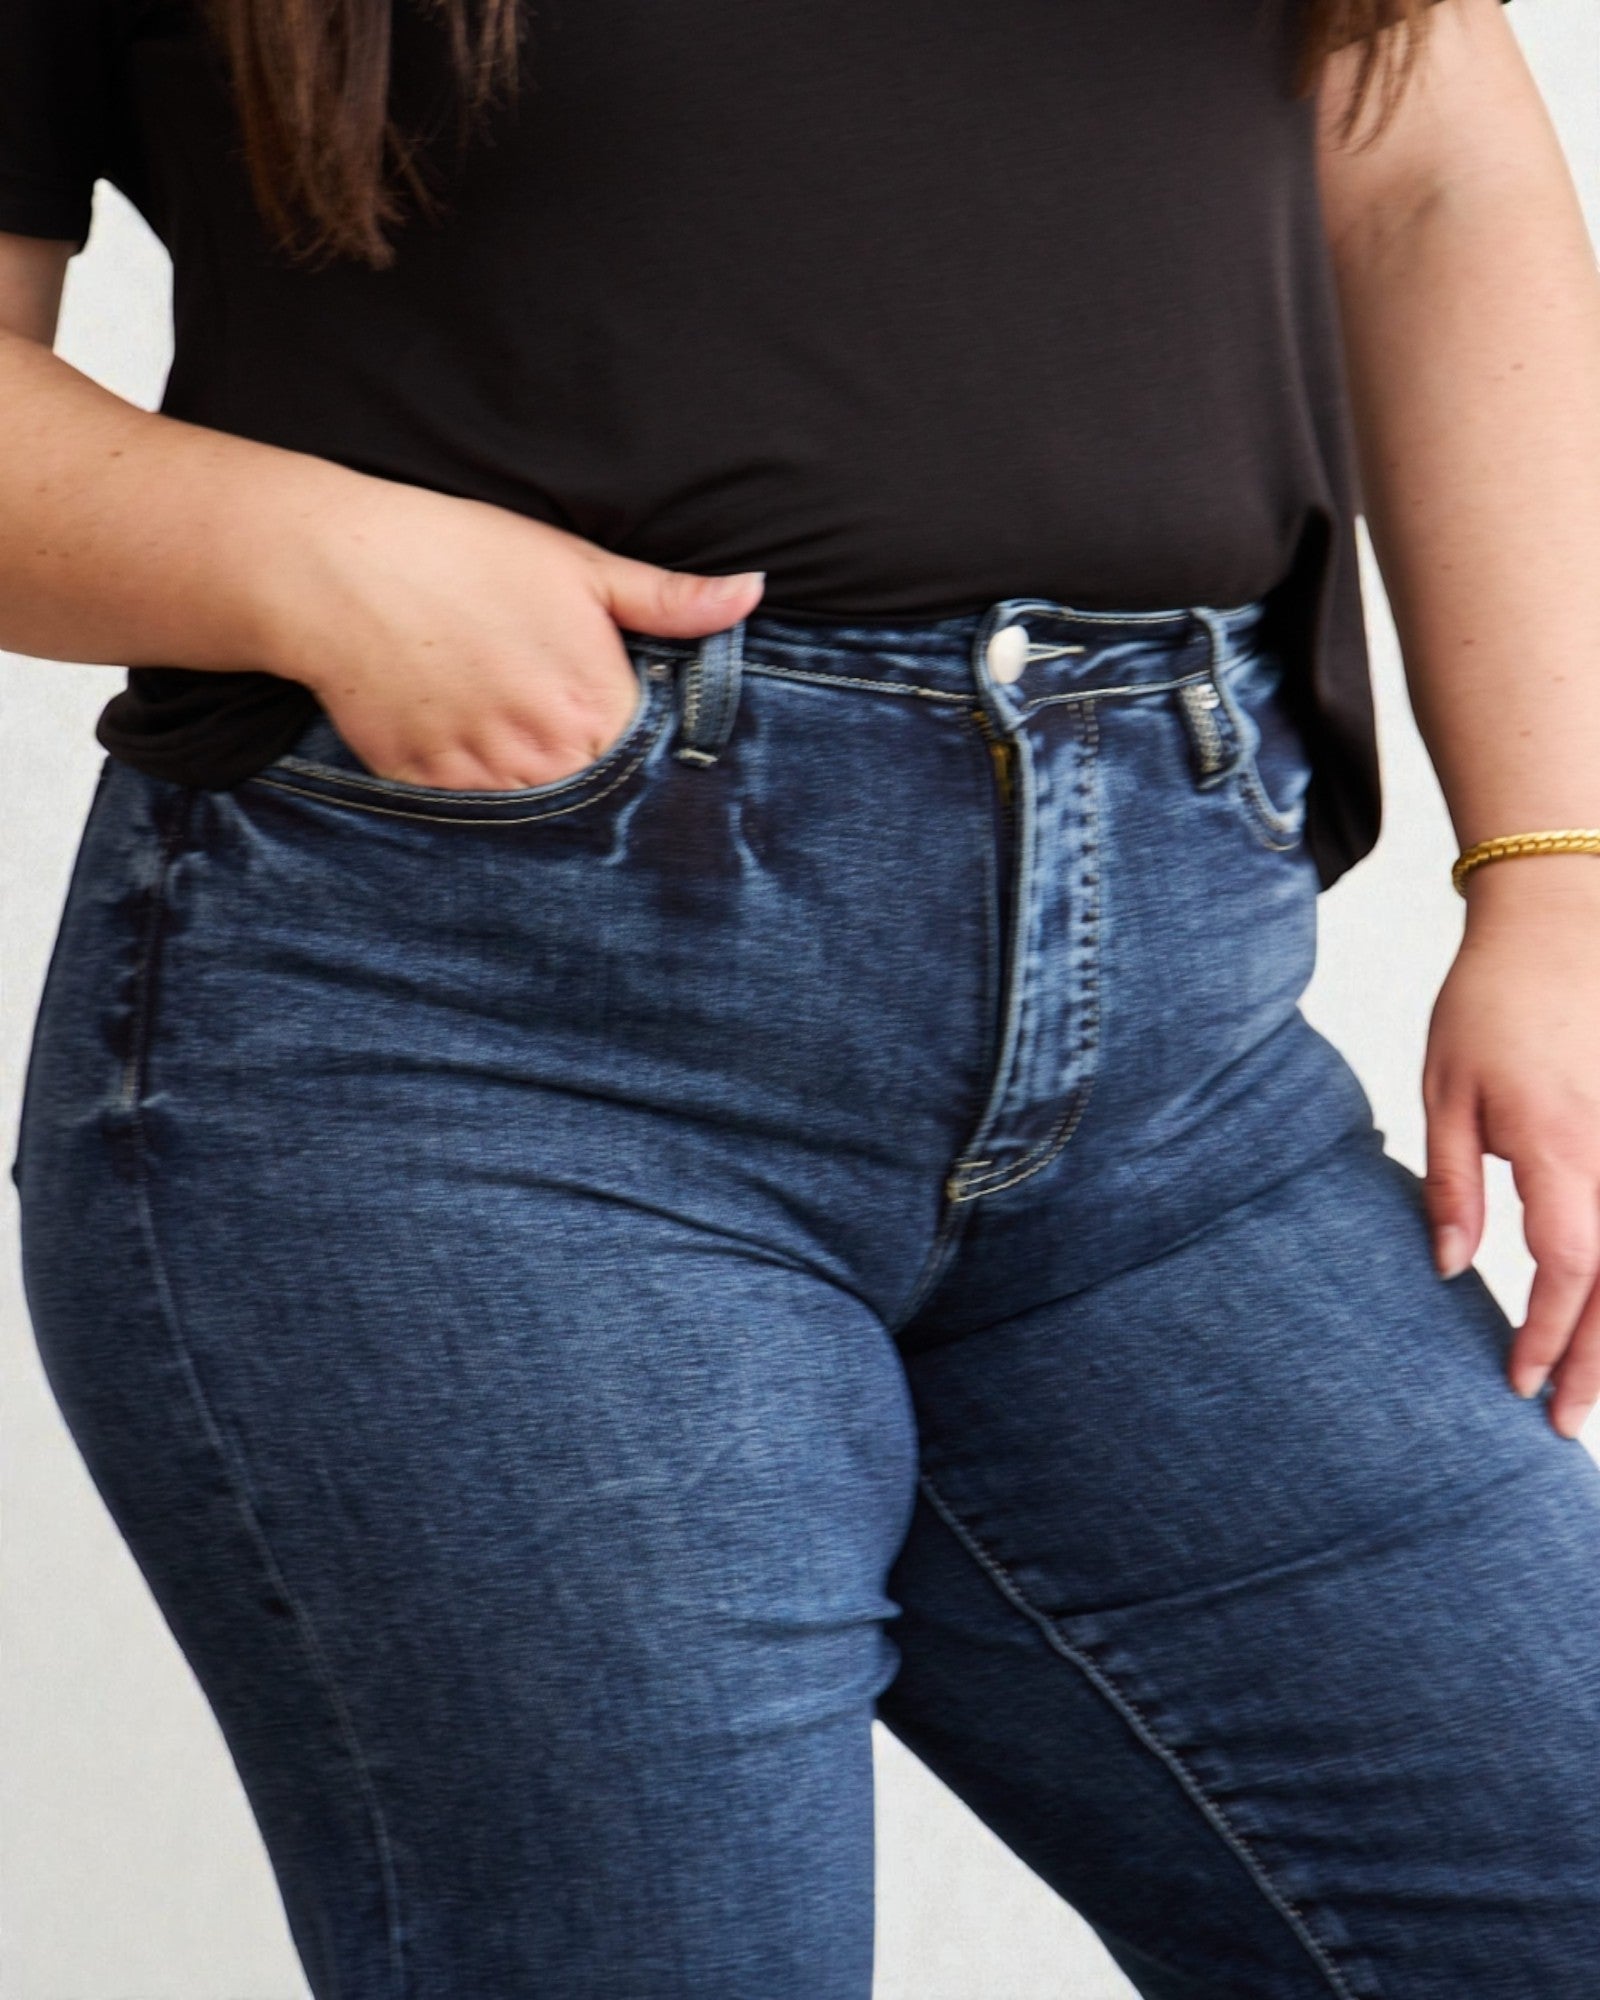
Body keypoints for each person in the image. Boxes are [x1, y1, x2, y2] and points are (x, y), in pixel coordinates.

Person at [6, 0, 1600, 1991]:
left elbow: (1414, 138)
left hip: (1178, 1046)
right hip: (467, 1045)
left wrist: (1553, 875)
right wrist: (300, 553)